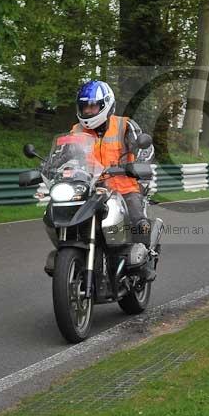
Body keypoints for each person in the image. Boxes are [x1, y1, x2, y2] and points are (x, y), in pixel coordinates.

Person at [71, 80, 156, 278]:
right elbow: (64, 154)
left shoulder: (124, 125)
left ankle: (144, 261)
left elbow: (146, 149)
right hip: (90, 189)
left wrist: (138, 167)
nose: (89, 110)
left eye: (93, 106)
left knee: (136, 218)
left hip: (124, 187)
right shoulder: (76, 130)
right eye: (85, 106)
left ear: (105, 105)